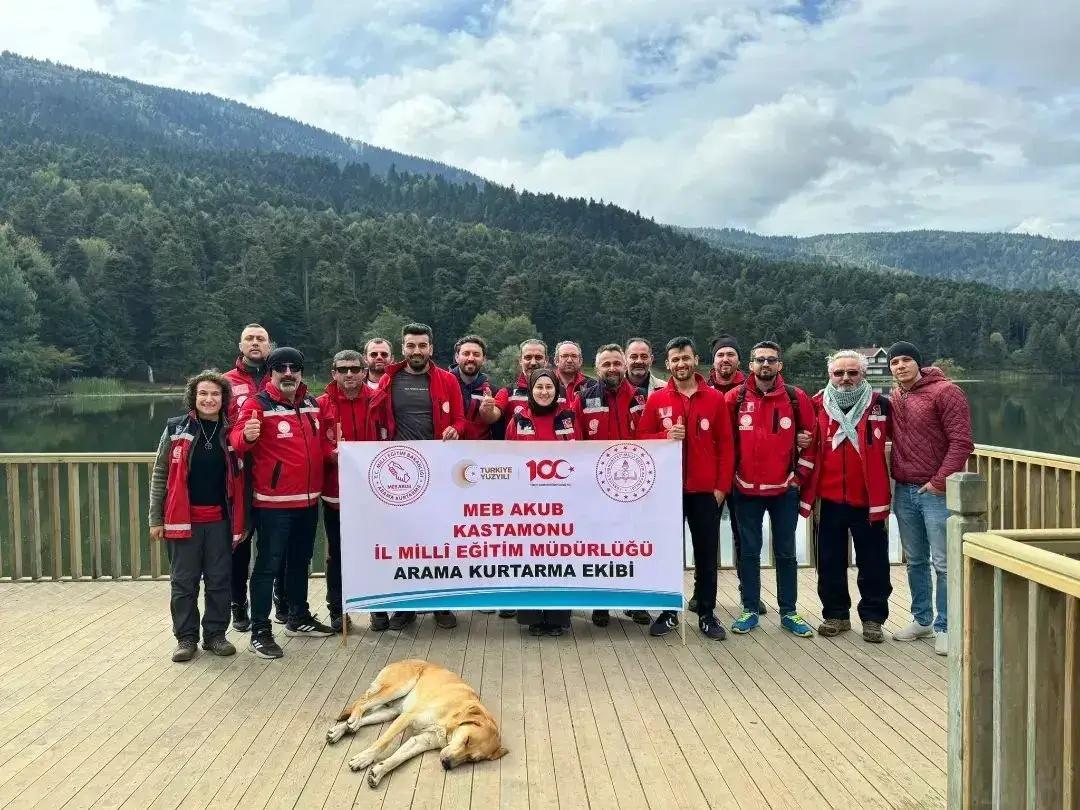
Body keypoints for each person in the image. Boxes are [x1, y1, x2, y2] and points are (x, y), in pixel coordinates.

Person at [231, 346, 337, 659]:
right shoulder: (257, 404)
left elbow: (319, 446)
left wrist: (334, 456)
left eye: (294, 367)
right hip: (273, 503)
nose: (288, 373)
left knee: (300, 562)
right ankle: (260, 631)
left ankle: (297, 617)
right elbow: (237, 442)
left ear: (301, 372)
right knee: (267, 566)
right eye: (281, 368)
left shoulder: (310, 403)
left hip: (307, 501)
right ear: (271, 373)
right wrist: (247, 437)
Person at [365, 322, 466, 631]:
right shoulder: (389, 379)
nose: (417, 351)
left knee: (440, 540)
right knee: (402, 542)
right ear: (404, 347)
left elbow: (461, 418)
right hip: (401, 473)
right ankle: (404, 607)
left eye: (422, 346)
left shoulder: (447, 380)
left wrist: (456, 429)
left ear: (431, 349)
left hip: (438, 473)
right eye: (411, 345)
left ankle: (442, 605)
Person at [638, 337, 735, 641]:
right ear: (667, 364)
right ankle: (669, 610)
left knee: (706, 555)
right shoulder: (657, 399)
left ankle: (706, 612)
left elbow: (727, 447)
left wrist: (721, 488)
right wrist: (663, 433)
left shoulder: (714, 399)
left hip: (705, 492)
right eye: (675, 360)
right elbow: (640, 441)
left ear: (695, 360)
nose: (681, 364)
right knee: (668, 554)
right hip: (668, 493)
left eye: (686, 358)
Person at [149, 370, 245, 662]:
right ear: (194, 396)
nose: (209, 399)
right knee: (183, 583)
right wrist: (155, 518)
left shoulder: (232, 430)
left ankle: (215, 635)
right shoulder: (176, 428)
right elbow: (160, 473)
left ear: (223, 398)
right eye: (203, 393)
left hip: (219, 520)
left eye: (215, 394)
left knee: (219, 581)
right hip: (182, 519)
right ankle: (186, 637)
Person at [799, 350, 893, 643]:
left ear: (863, 375)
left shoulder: (882, 406)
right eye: (839, 373)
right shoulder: (816, 405)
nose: (845, 379)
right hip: (829, 499)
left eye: (852, 373)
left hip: (868, 500)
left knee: (874, 563)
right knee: (829, 562)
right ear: (830, 375)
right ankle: (836, 615)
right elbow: (802, 443)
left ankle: (873, 619)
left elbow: (905, 442)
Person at [726, 341, 818, 638]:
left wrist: (798, 478)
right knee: (750, 552)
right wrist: (730, 479)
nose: (765, 365)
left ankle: (789, 611)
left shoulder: (795, 397)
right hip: (746, 490)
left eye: (771, 360)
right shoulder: (734, 397)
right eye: (759, 360)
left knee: (786, 553)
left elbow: (812, 440)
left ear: (780, 365)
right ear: (750, 365)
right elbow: (724, 443)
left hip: (783, 491)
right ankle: (749, 609)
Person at [887, 341, 974, 656]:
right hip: (904, 489)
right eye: (894, 362)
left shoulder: (946, 392)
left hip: (935, 492)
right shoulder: (897, 396)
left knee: (943, 562)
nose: (900, 366)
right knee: (916, 561)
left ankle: (946, 627)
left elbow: (962, 442)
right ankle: (921, 619)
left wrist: (939, 482)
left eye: (906, 359)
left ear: (919, 364)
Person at [575, 343, 652, 627]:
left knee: (634, 547)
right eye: (606, 364)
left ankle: (637, 603)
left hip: (634, 488)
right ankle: (601, 605)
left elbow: (652, 438)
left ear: (624, 366)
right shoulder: (583, 399)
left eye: (616, 363)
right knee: (600, 549)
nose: (612, 369)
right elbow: (576, 444)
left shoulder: (642, 398)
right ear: (596, 369)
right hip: (596, 490)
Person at [506, 367, 578, 636]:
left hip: (563, 502)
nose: (545, 392)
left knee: (561, 561)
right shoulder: (518, 419)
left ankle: (558, 618)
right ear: (531, 391)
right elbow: (509, 459)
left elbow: (581, 455)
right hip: (528, 504)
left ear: (556, 391)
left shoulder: (569, 418)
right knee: (530, 561)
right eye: (539, 387)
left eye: (549, 387)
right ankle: (534, 617)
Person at [222, 323, 276, 633]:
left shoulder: (281, 377)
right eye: (250, 339)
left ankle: (279, 601)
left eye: (261, 339)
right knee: (239, 543)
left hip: (272, 476)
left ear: (269, 346)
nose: (255, 343)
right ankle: (237, 604)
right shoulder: (226, 382)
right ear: (241, 345)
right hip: (238, 476)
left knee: (273, 543)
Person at [317, 349, 373, 633]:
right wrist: (331, 454)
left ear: (364, 371)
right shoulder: (321, 405)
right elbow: (315, 445)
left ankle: (377, 607)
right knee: (337, 554)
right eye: (343, 369)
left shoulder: (379, 401)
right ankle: (337, 610)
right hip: (336, 493)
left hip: (374, 496)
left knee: (376, 551)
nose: (349, 374)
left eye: (355, 369)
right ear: (334, 373)